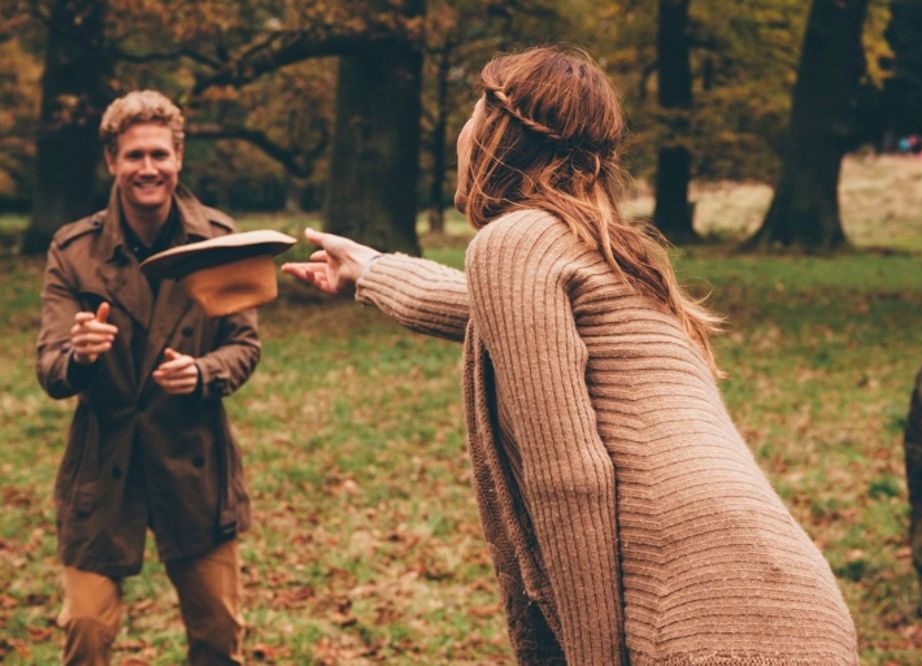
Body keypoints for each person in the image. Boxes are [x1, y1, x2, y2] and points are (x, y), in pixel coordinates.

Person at [284, 47, 859, 664]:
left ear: (497, 131)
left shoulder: (515, 239)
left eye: (474, 111)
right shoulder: (609, 249)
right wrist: (368, 270)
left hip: (697, 616)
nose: (463, 131)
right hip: (786, 599)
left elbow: (569, 477)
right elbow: (494, 315)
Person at [36, 90, 259, 665]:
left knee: (216, 635)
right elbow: (50, 368)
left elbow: (244, 344)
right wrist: (80, 354)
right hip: (103, 461)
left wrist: (204, 372)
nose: (148, 168)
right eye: (134, 156)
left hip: (193, 462)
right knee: (86, 627)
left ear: (179, 157)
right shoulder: (74, 251)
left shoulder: (217, 239)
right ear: (112, 160)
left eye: (160, 154)